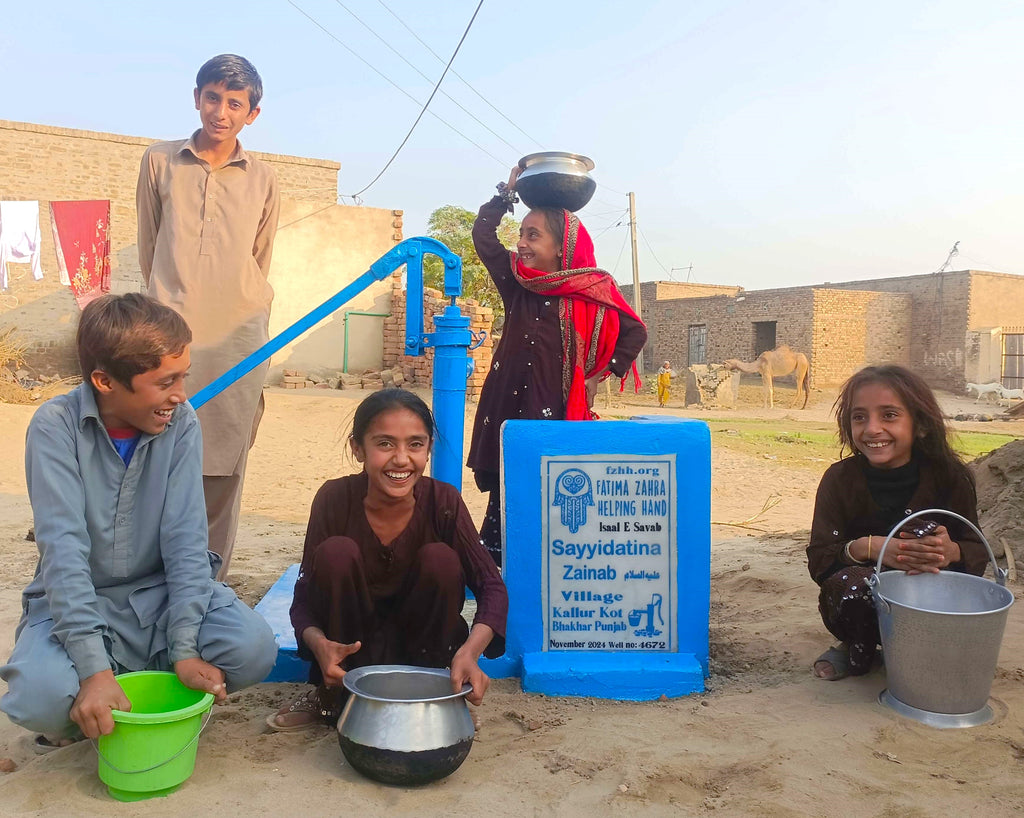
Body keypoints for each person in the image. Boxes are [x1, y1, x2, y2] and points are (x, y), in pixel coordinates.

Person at [0, 294, 277, 751]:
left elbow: (187, 542)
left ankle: (135, 680)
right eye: (166, 381)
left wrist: (186, 650)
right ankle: (106, 681)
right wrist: (92, 672)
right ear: (104, 381)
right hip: (78, 600)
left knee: (252, 650)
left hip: (160, 596)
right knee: (39, 702)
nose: (180, 394)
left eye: (183, 376)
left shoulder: (181, 423)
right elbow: (63, 553)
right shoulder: (55, 426)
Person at [267, 389, 508, 731]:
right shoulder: (334, 499)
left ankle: (440, 694)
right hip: (352, 650)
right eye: (384, 444)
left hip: (424, 656)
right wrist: (319, 645)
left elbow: (492, 587)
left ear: (428, 449)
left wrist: (469, 653)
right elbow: (304, 597)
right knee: (336, 553)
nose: (401, 459)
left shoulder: (444, 502)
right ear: (357, 448)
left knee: (440, 559)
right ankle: (331, 695)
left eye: (415, 444)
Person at [136, 54, 281, 580]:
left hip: (238, 340)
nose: (221, 111)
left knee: (224, 460)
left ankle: (207, 583)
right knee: (157, 451)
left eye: (235, 103)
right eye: (213, 97)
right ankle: (152, 578)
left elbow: (258, 259)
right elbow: (149, 247)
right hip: (167, 336)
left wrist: (240, 307)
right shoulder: (158, 161)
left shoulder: (264, 178)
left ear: (252, 114)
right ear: (197, 97)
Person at [467, 167, 648, 567]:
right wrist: (505, 197)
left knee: (557, 492)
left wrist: (599, 374)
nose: (522, 244)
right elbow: (484, 238)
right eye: (522, 234)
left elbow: (634, 331)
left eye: (534, 235)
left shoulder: (593, 288)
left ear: (562, 244)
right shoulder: (516, 282)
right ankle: (497, 593)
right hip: (509, 408)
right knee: (506, 489)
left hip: (559, 409)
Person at [807, 364, 987, 680]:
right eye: (859, 417)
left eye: (889, 415)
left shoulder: (951, 478)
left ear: (920, 425)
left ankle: (920, 650)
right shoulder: (839, 480)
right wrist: (869, 548)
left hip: (933, 608)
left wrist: (950, 551)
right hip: (862, 607)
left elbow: (978, 552)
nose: (872, 428)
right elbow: (820, 560)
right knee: (851, 584)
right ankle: (856, 648)